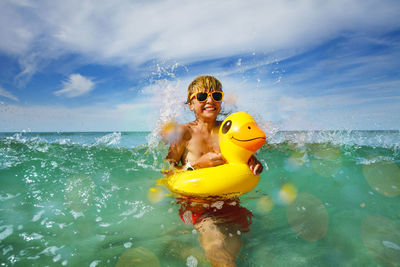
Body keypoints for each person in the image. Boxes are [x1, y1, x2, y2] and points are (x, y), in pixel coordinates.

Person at [163, 75, 263, 267]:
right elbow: (168, 172)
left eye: (216, 95)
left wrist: (251, 161)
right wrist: (197, 164)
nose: (210, 100)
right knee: (219, 251)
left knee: (234, 254)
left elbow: (240, 159)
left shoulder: (228, 131)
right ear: (191, 104)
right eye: (202, 96)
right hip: (199, 208)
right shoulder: (184, 133)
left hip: (230, 203)